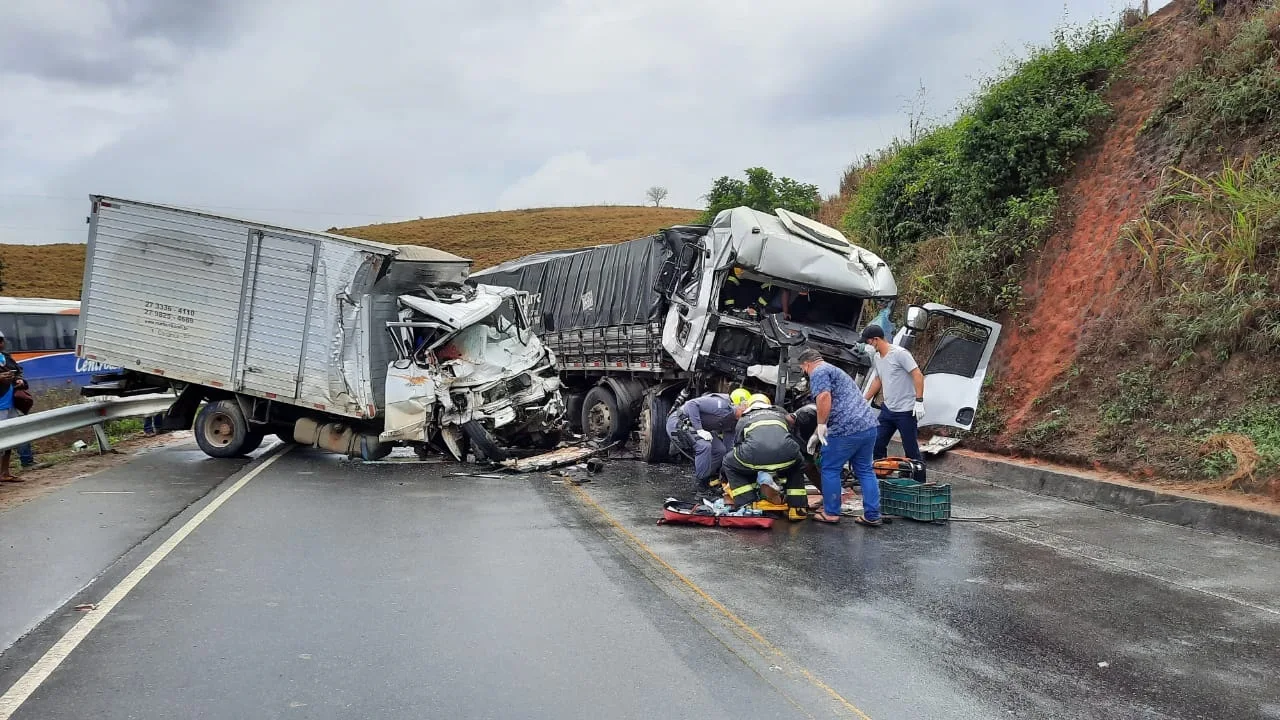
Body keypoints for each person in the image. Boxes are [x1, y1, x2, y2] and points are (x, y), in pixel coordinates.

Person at [797, 348, 881, 526]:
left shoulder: (818, 371)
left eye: (803, 369)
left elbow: (824, 397)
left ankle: (831, 512)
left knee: (830, 468)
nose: (805, 373)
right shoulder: (835, 370)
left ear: (807, 364)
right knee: (865, 470)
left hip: (845, 428)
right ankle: (872, 515)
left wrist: (820, 424)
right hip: (868, 425)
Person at [719, 394, 808, 521]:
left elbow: (738, 444)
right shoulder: (781, 414)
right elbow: (789, 435)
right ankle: (797, 508)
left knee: (729, 462)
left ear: (750, 406)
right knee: (797, 464)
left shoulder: (744, 418)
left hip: (753, 457)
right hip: (787, 456)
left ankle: (747, 503)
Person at [860, 324, 926, 467]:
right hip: (888, 409)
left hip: (906, 411)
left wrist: (919, 401)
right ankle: (880, 477)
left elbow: (917, 375)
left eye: (868, 342)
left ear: (876, 339)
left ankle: (918, 483)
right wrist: (864, 399)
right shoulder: (878, 358)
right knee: (877, 444)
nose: (868, 345)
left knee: (911, 449)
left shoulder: (900, 354)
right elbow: (878, 380)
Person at [666, 388, 750, 497]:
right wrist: (699, 429)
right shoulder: (720, 404)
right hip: (678, 422)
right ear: (736, 405)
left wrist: (729, 470)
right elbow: (691, 404)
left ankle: (705, 479)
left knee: (720, 450)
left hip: (695, 427)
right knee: (704, 446)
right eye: (744, 411)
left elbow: (729, 448)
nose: (745, 415)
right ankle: (702, 488)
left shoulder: (734, 421)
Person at [0, 330, 28, 483]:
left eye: (0, 340)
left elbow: (18, 371)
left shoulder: (6, 357)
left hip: (10, 403)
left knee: (9, 439)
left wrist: (18, 379)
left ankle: (5, 472)